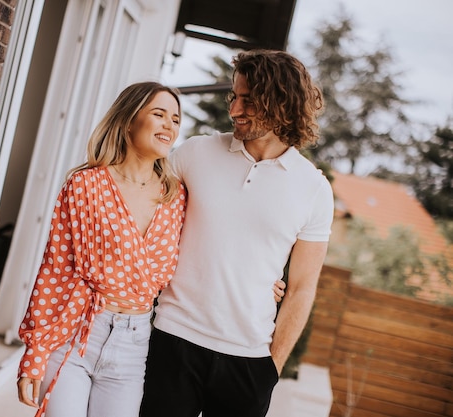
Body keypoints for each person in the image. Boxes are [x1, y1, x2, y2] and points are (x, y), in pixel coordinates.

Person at [140, 49, 335, 417]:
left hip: (249, 362)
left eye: (249, 99)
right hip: (173, 340)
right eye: (235, 96)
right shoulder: (193, 154)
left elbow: (301, 288)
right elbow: (142, 216)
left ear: (281, 103)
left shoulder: (314, 189)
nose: (234, 109)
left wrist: (271, 369)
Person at [15, 81, 186, 417]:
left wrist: (259, 281)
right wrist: (34, 356)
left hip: (133, 345)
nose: (170, 125)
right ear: (128, 120)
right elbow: (55, 269)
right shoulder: (86, 185)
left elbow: (203, 255)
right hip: (78, 334)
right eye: (159, 114)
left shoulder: (174, 196)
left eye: (176, 119)